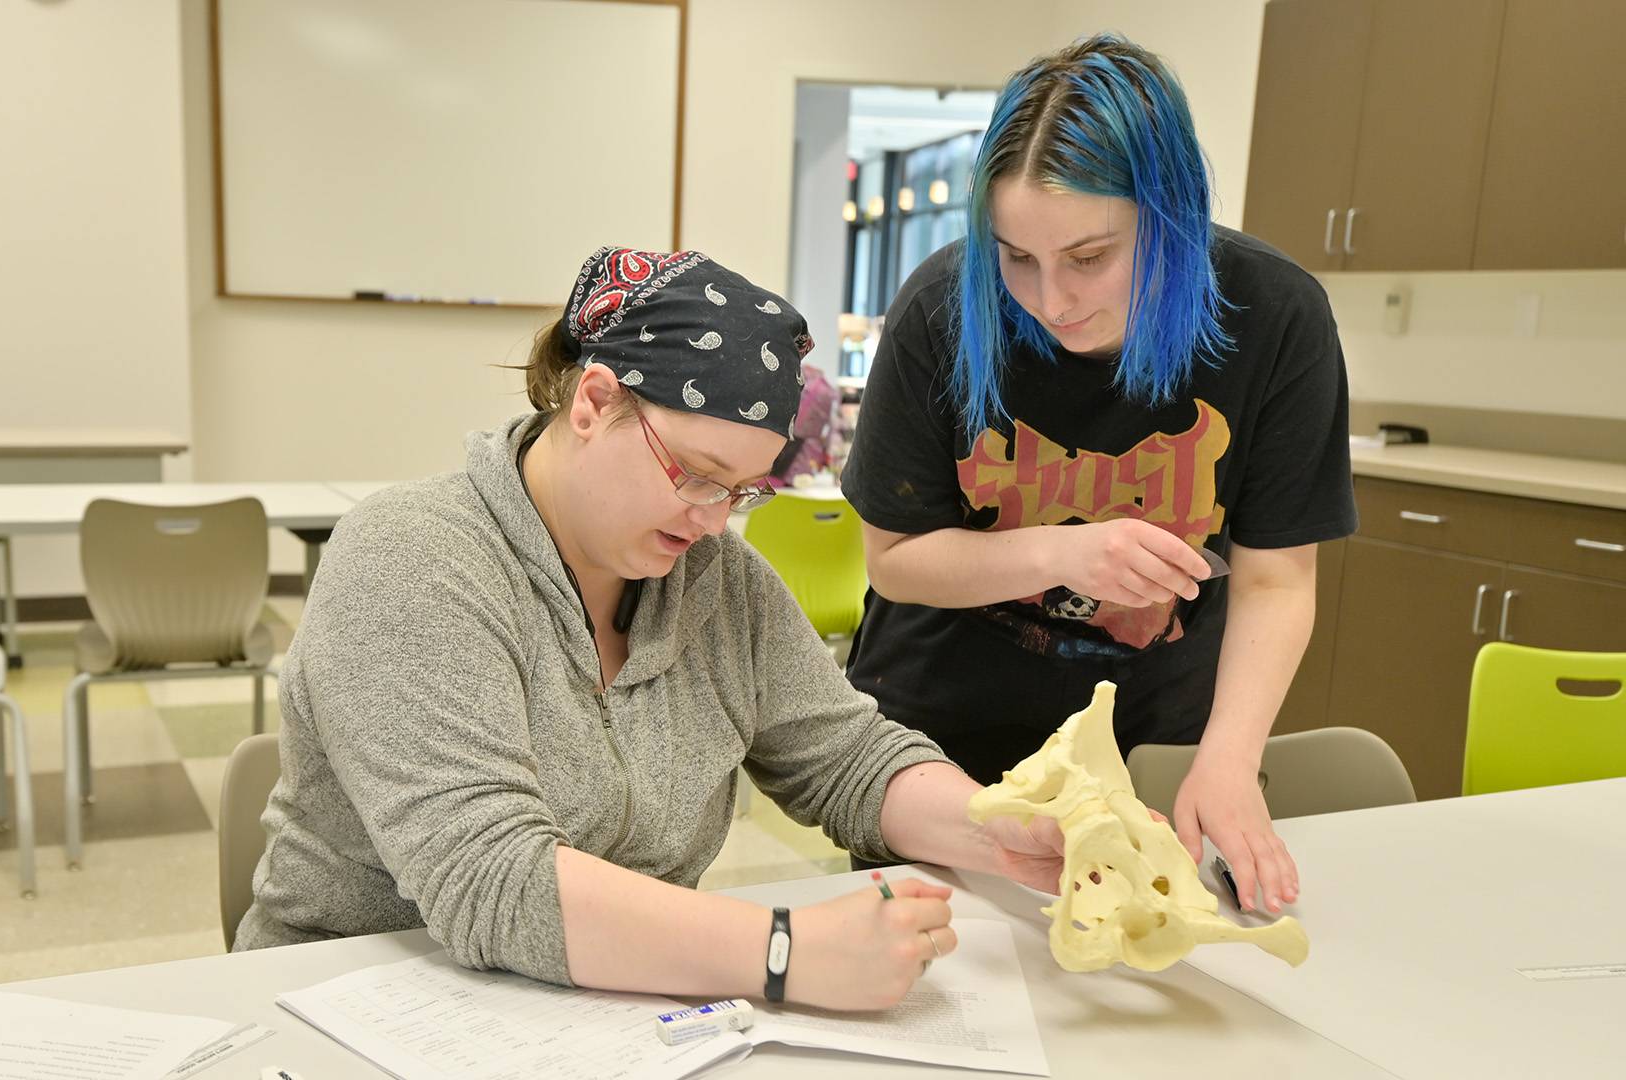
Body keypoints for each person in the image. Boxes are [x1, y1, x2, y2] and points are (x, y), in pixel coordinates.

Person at [235, 246, 1062, 1011]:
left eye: (740, 491)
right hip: (355, 1000)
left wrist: (1005, 829)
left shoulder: (716, 581)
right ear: (595, 402)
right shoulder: (413, 558)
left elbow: (848, 757)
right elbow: (491, 879)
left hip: (608, 1003)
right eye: (697, 476)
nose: (711, 522)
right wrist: (783, 951)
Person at [840, 35, 1357, 916]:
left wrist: (1227, 761)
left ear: (1173, 216)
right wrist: (1059, 554)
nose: (1051, 299)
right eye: (1015, 257)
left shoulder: (1273, 317)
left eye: (1089, 257)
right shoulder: (939, 310)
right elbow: (895, 559)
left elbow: (1276, 576)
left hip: (1150, 746)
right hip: (943, 745)